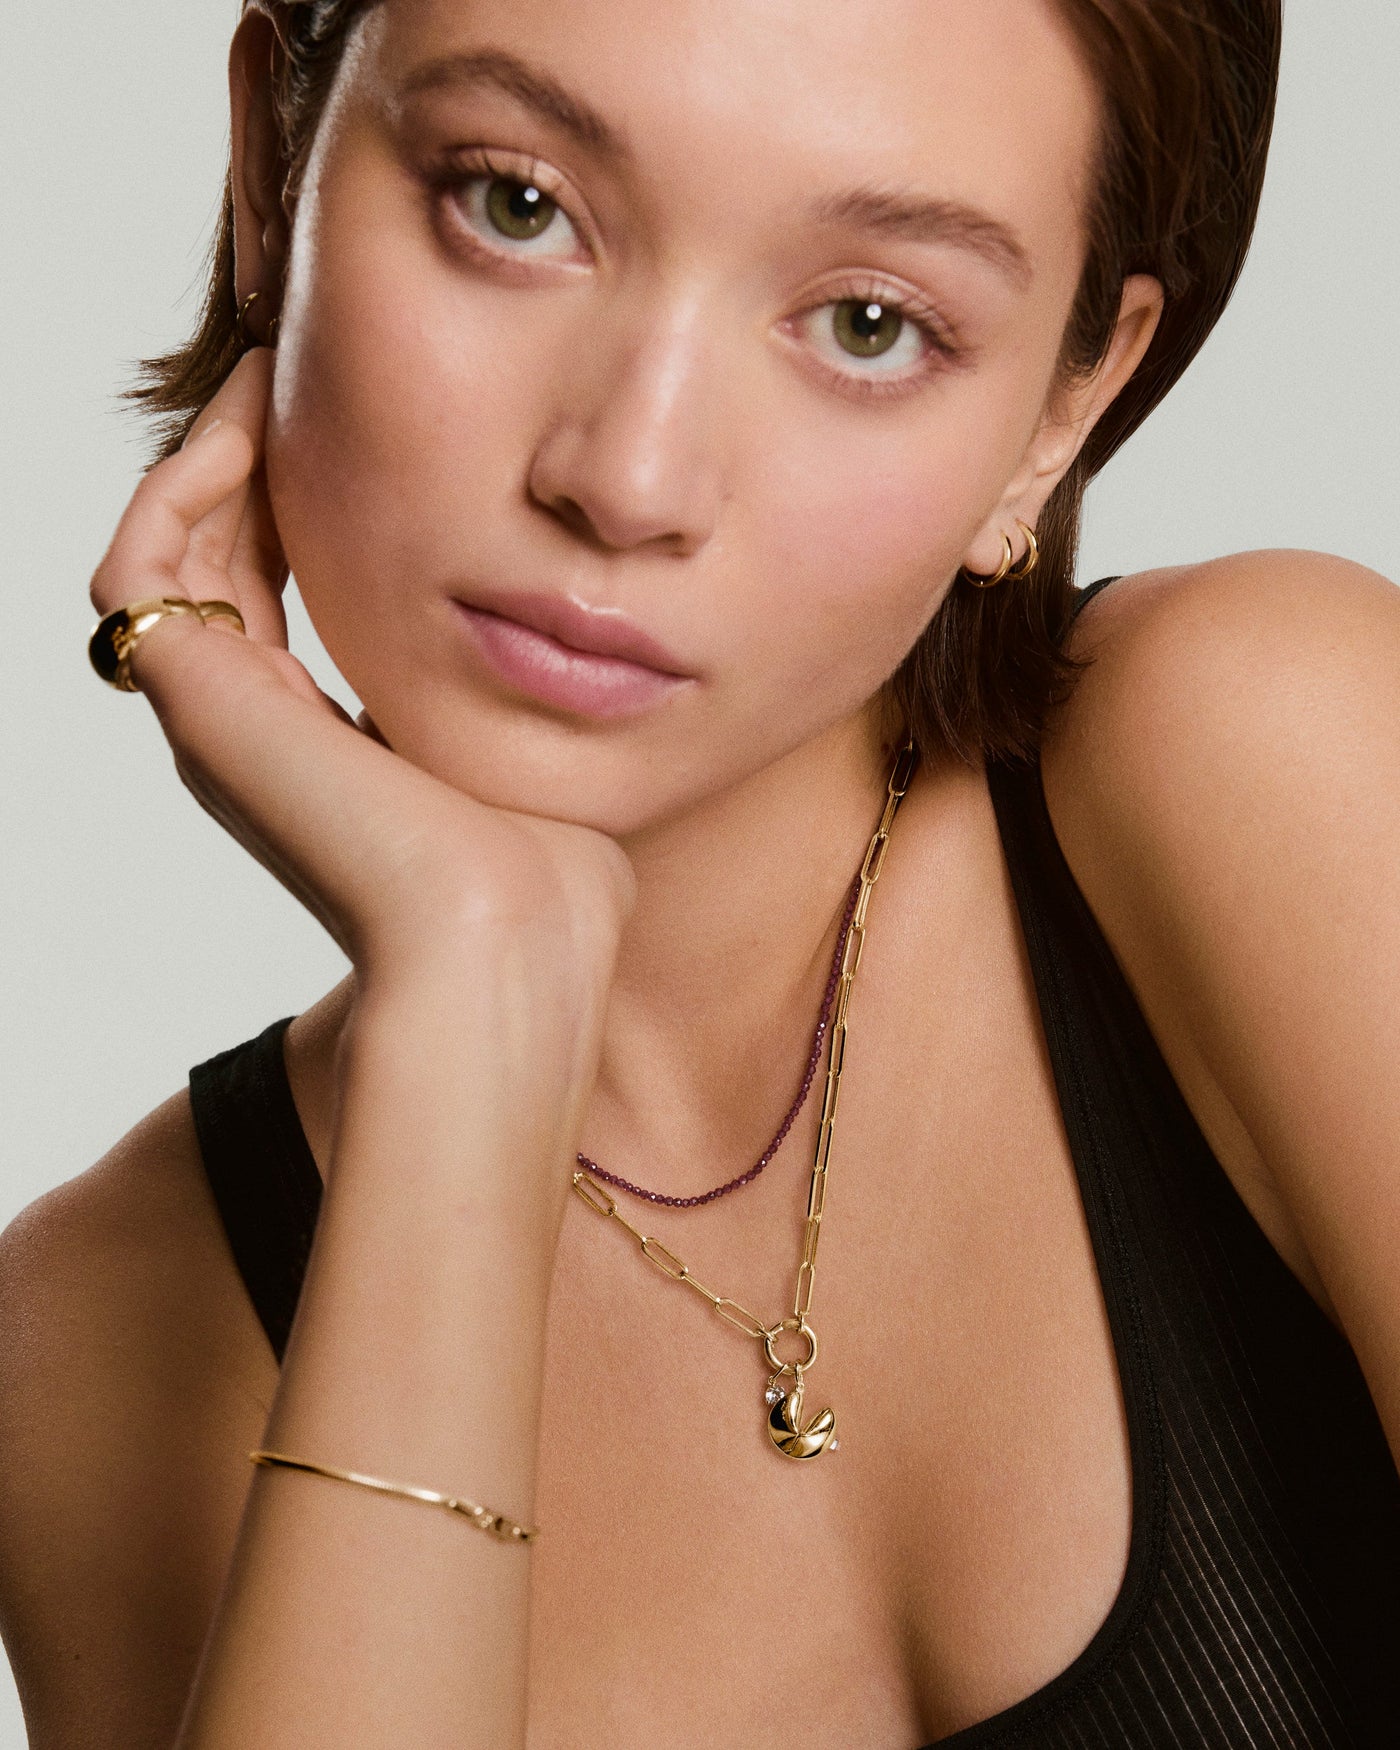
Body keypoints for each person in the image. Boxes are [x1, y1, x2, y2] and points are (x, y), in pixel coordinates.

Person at [1, 0, 1397, 1744]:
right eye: (516, 206)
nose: (627, 476)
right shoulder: (101, 1335)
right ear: (275, 167)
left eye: (870, 322)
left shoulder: (1279, 753)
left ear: (1065, 404)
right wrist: (471, 986)